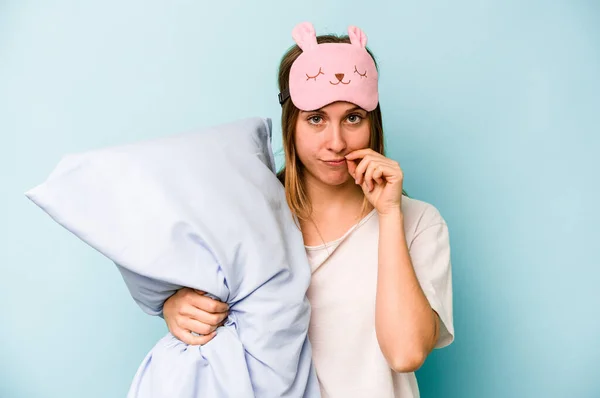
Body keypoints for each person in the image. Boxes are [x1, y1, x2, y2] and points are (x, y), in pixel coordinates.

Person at [161, 22, 454, 397]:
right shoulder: (250, 216)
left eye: (353, 118)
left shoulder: (418, 223)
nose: (336, 142)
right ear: (292, 125)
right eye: (316, 118)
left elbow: (405, 353)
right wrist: (180, 310)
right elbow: (212, 329)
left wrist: (389, 216)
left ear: (372, 122)